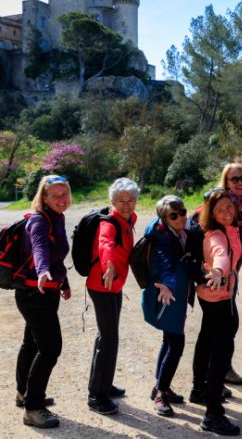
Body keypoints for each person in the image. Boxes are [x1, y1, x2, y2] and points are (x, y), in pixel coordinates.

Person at [16, 174, 72, 428]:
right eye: (55, 195)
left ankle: (24, 393)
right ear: (44, 197)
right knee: (50, 348)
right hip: (33, 293)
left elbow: (56, 256)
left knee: (32, 343)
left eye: (64, 194)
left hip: (46, 291)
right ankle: (33, 408)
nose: (61, 199)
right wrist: (42, 271)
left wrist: (64, 282)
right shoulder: (39, 220)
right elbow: (39, 247)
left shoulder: (57, 218)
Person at [142, 195, 201, 417]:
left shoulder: (182, 230)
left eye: (182, 212)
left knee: (169, 341)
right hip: (168, 296)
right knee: (176, 344)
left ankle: (160, 386)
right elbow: (167, 264)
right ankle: (161, 395)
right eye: (173, 216)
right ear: (164, 219)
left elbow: (200, 218)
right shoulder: (163, 239)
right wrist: (167, 285)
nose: (180, 218)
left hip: (175, 297)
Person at [86, 177, 139, 415]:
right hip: (102, 285)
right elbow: (105, 243)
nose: (126, 205)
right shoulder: (109, 223)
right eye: (121, 200)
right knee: (108, 339)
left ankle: (103, 384)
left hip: (114, 286)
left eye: (131, 200)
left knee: (107, 336)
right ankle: (97, 396)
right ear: (113, 201)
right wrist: (108, 264)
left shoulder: (128, 220)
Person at [192, 189, 242, 436]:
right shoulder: (216, 235)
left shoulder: (229, 229)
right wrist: (220, 272)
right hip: (218, 297)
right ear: (210, 213)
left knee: (207, 341)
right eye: (220, 209)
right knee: (221, 353)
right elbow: (221, 254)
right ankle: (212, 414)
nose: (226, 212)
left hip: (213, 296)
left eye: (229, 207)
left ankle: (199, 389)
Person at [219, 162, 242, 385]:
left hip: (232, 271)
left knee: (227, 323)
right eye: (234, 179)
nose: (240, 182)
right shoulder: (224, 204)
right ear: (226, 182)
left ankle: (220, 369)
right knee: (226, 323)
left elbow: (236, 236)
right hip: (221, 273)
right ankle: (219, 371)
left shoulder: (241, 205)